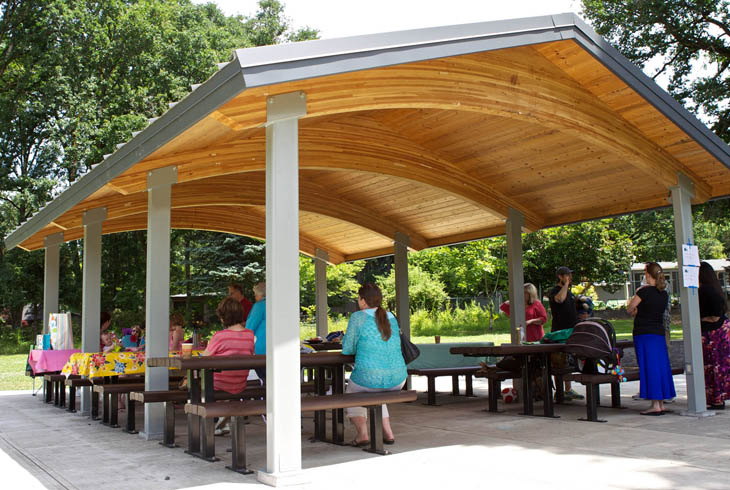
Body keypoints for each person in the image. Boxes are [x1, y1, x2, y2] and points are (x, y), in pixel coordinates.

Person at [342, 283, 407, 446]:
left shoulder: (358, 317)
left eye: (358, 298)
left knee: (353, 392)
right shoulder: (390, 316)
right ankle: (388, 432)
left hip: (371, 379)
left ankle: (363, 434)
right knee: (378, 387)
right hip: (398, 380)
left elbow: (347, 349)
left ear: (362, 300)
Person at [627, 262, 676, 415]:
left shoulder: (644, 292)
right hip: (659, 333)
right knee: (661, 367)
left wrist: (636, 309)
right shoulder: (664, 293)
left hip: (644, 333)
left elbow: (630, 308)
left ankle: (655, 404)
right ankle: (660, 402)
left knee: (649, 367)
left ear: (648, 275)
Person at [203, 297, 255, 434]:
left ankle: (214, 422)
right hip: (239, 383)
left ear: (223, 317)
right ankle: (223, 419)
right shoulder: (250, 335)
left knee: (195, 386)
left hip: (218, 384)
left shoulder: (220, 336)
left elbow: (204, 359)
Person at [698, 261, 730, 410]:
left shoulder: (704, 291)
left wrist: (700, 319)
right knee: (721, 366)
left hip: (712, 334)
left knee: (712, 366)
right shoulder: (716, 289)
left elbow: (715, 315)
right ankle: (719, 397)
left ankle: (716, 398)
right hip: (722, 331)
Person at [548, 266, 583, 400]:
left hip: (572, 330)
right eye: (567, 275)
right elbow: (559, 299)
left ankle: (568, 389)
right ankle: (560, 391)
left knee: (569, 361)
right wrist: (566, 285)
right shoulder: (556, 291)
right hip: (560, 331)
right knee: (559, 360)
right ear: (560, 277)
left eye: (570, 275)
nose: (569, 278)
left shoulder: (569, 292)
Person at [246, 282, 267, 382]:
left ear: (261, 295)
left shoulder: (259, 306)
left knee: (263, 377)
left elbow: (249, 328)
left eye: (256, 295)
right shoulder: (278, 304)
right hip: (278, 349)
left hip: (261, 349)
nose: (255, 297)